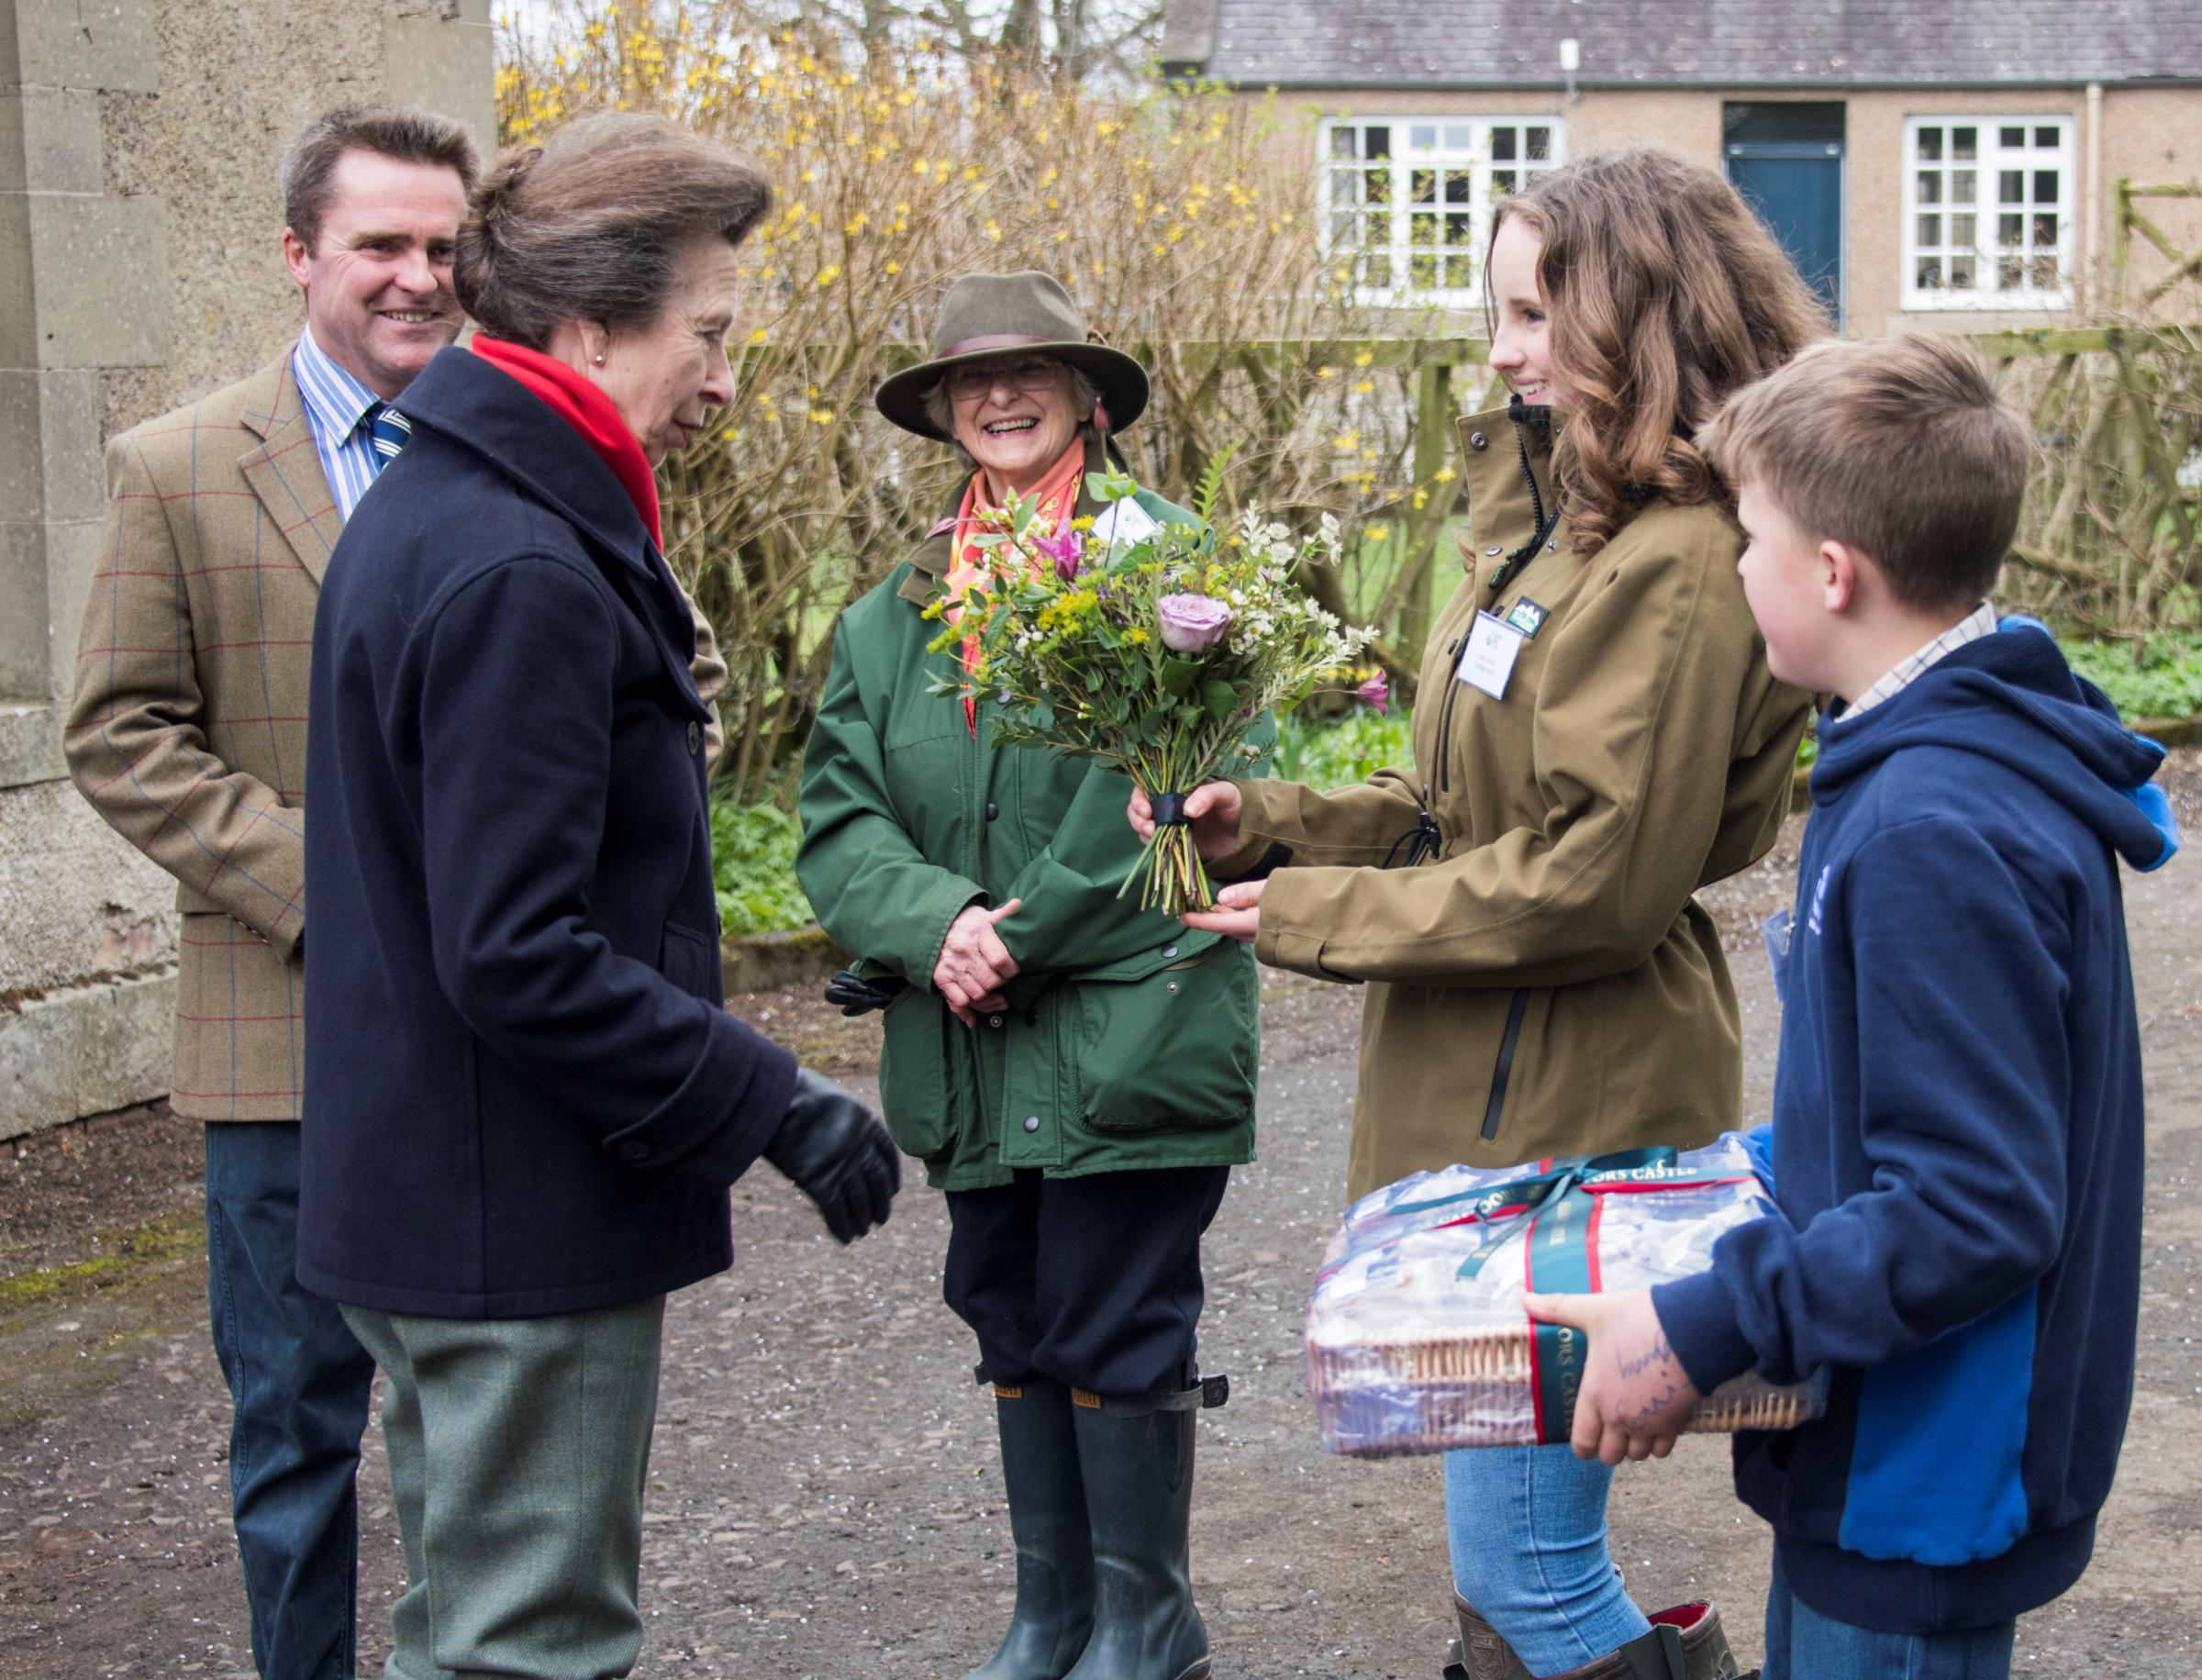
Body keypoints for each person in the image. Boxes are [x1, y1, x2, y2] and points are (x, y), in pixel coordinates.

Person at [1130, 151, 1825, 1679]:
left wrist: (1315, 914)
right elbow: (1470, 797)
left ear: (1641, 319)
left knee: (1527, 1577)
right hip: (1496, 1093)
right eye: (1496, 310)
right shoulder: (1552, 530)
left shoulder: (1682, 564)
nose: (1500, 349)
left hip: (1576, 1112)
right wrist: (1279, 823)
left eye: (1533, 312)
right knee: (1510, 1577)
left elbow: (1597, 882)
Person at [298, 112, 900, 1679]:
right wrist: (772, 1096)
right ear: (583, 325)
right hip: (510, 1211)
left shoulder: (451, 504)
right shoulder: (520, 563)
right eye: (705, 335)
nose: (723, 379)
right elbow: (514, 949)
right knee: (529, 1651)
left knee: (460, 1631)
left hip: (442, 1190)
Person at [1531, 333, 2178, 1679]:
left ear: (1834, 573)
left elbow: (1973, 1206)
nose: (1734, 565)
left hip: (1920, 1477)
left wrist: (1705, 1325)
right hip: (1887, 1446)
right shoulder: (1911, 757)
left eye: (1748, 537)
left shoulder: (1932, 826)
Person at [62, 103, 484, 1680]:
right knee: (298, 1438)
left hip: (497, 1034)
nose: (418, 278)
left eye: (446, 248)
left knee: (484, 1429)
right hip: (282, 1042)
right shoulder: (174, 467)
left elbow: (676, 671)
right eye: (381, 244)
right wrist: (334, 882)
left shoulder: (531, 449)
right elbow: (119, 732)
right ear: (302, 253)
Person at [797, 269, 1262, 1680]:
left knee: (1112, 1310)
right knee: (1006, 1303)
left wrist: (1023, 930)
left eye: (1031, 375)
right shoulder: (894, 611)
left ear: (1087, 396)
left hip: (1135, 1030)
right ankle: (1056, 1615)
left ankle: (1147, 1621)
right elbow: (838, 814)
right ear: (941, 410)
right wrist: (937, 922)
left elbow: (1188, 786)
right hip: (971, 1041)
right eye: (969, 382)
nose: (999, 399)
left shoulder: (1174, 569)